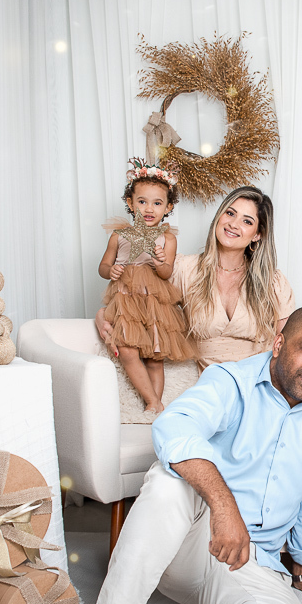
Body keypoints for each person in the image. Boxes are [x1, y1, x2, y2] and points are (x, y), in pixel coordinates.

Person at [43, 306, 302, 604]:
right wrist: (224, 506)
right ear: (278, 344)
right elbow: (173, 427)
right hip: (187, 545)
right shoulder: (230, 380)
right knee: (168, 482)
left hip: (252, 563)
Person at [97, 185, 294, 374]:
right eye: (230, 213)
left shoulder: (273, 281)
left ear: (257, 235)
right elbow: (139, 299)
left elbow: (290, 345)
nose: (233, 224)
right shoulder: (185, 270)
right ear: (219, 217)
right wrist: (102, 314)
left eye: (247, 221)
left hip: (260, 378)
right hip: (212, 384)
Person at [97, 158, 194, 413]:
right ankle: (153, 401)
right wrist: (111, 270)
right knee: (127, 351)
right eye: (142, 201)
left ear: (168, 207)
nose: (149, 208)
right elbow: (103, 267)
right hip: (126, 301)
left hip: (154, 303)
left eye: (157, 203)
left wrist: (160, 261)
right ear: (131, 203)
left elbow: (166, 273)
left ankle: (154, 406)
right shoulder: (119, 235)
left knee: (154, 356)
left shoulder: (167, 238)